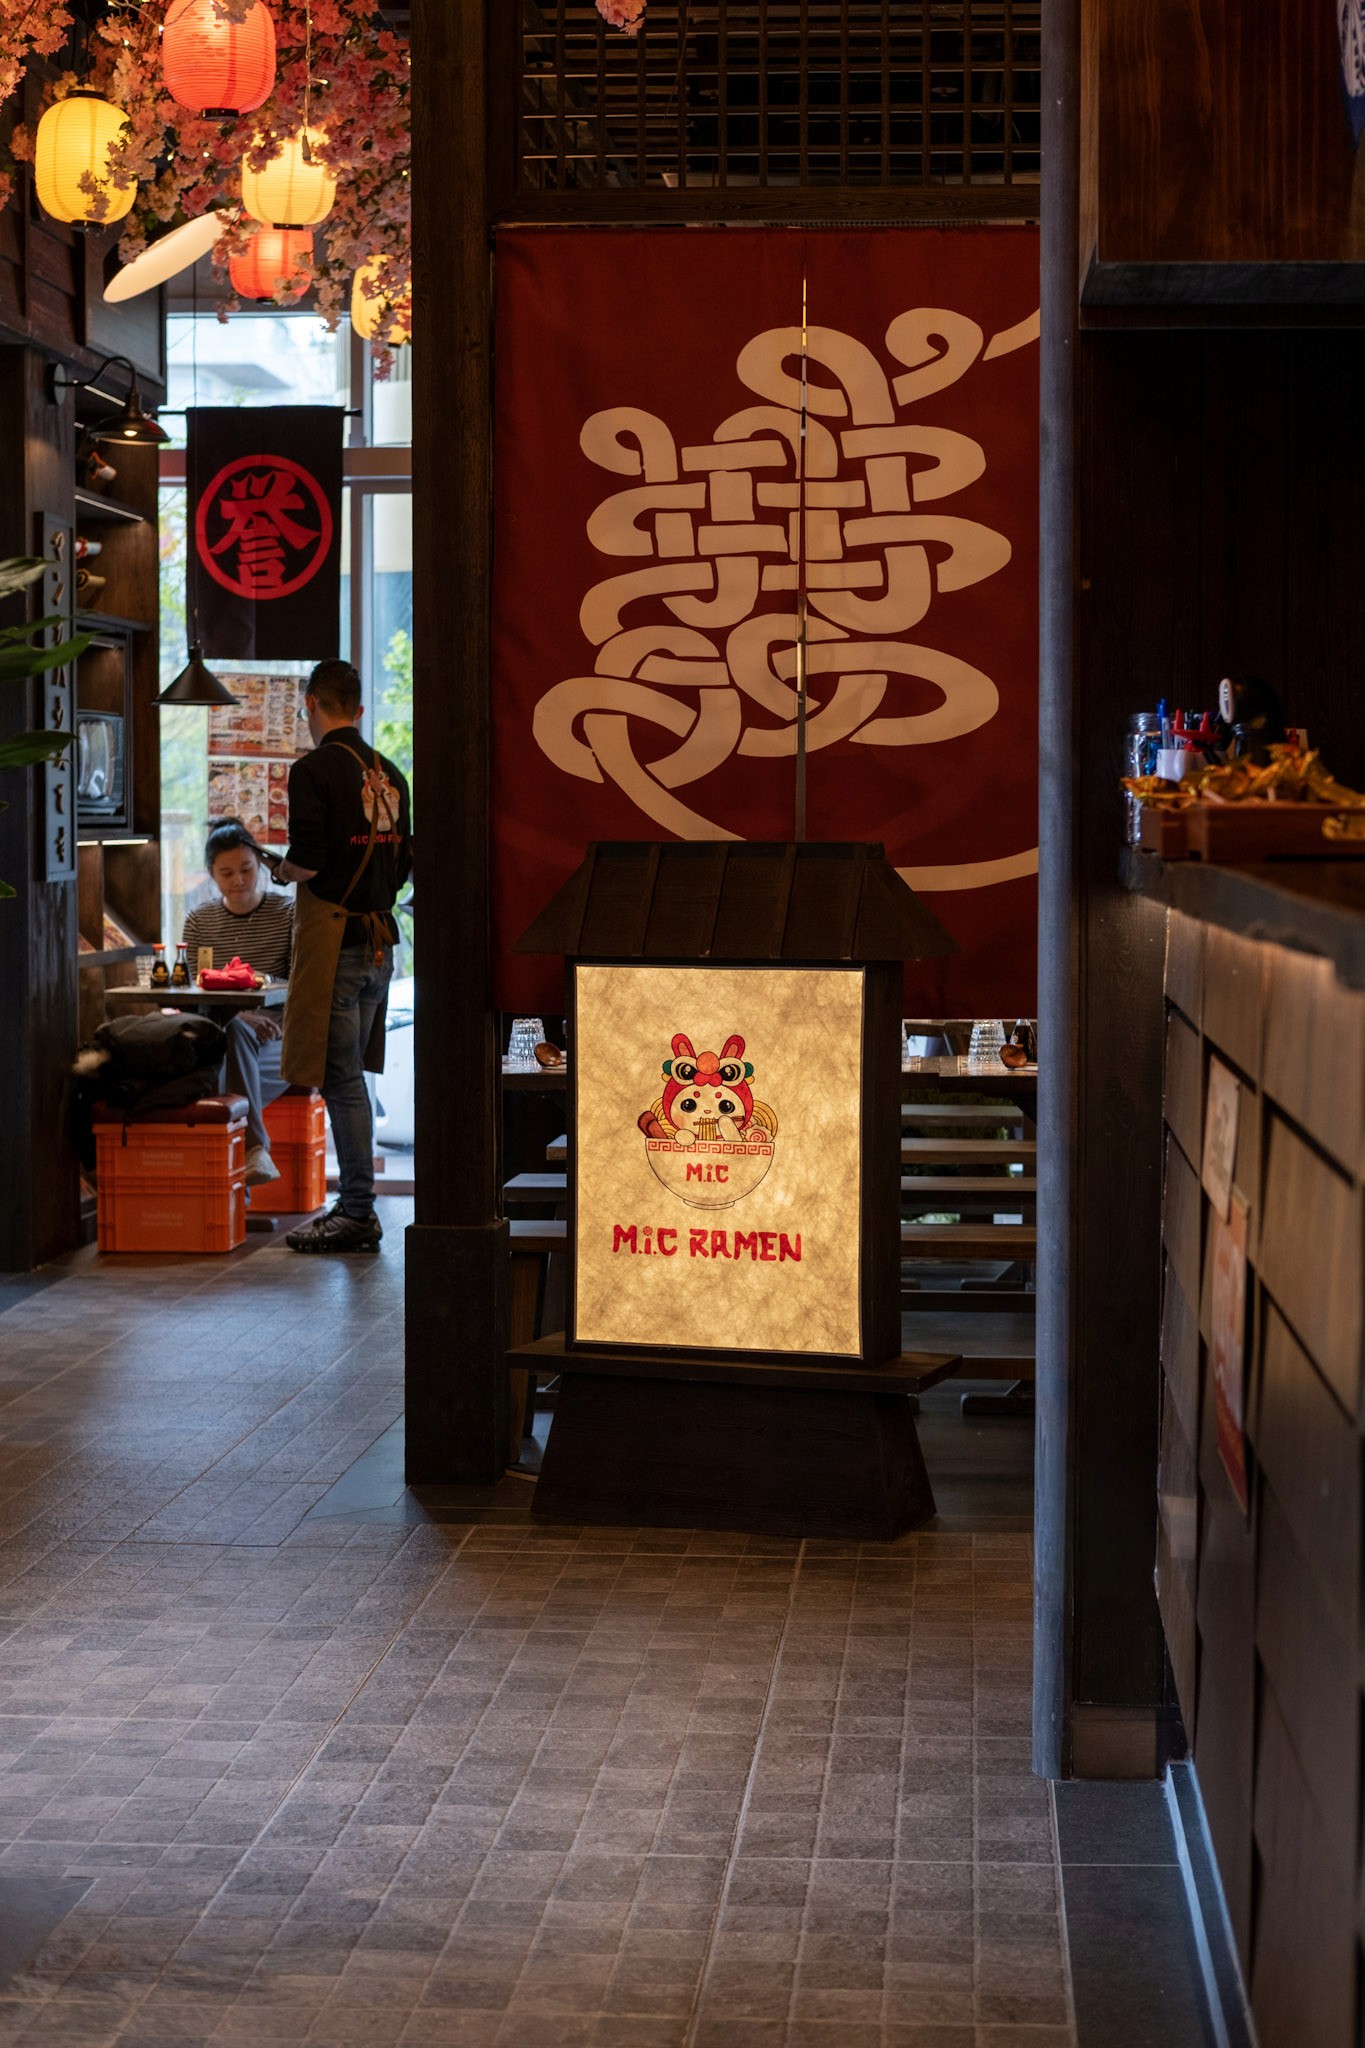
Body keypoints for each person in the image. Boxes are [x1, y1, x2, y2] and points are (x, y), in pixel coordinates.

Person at [264, 658, 411, 1253]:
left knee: (342, 1083)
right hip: (381, 946)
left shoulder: (314, 770)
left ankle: (355, 1211)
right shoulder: (392, 771)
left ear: (310, 706)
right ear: (359, 709)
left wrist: (281, 870)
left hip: (337, 948)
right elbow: (403, 864)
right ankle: (355, 1205)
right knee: (355, 1082)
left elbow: (312, 859)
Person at [182, 819, 293, 1188]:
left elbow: (300, 984)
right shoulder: (200, 920)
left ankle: (227, 1198)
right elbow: (197, 992)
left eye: (246, 869)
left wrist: (254, 1012)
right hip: (226, 1034)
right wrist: (241, 1014)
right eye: (226, 873)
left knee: (214, 1083)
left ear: (259, 865)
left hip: (279, 1039)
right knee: (232, 1035)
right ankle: (253, 1155)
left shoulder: (288, 914)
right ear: (211, 875)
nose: (239, 880)